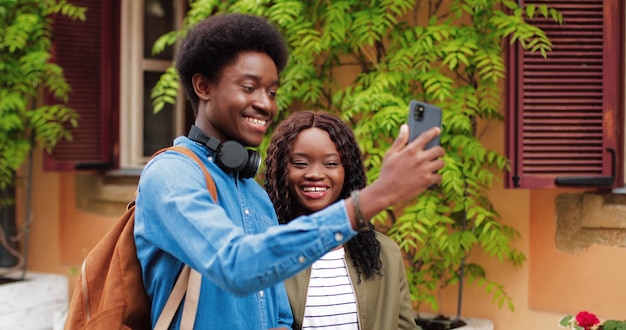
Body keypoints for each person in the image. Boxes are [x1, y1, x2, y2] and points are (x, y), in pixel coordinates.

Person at [134, 13, 445, 330]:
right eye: (250, 87)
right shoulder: (171, 174)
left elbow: (279, 314)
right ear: (203, 86)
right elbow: (235, 264)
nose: (266, 104)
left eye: (271, 92)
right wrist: (376, 196)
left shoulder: (255, 196)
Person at [264, 111, 419, 330]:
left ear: (347, 171)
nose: (315, 174)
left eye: (330, 164)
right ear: (281, 171)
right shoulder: (265, 252)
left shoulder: (385, 253)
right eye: (300, 163)